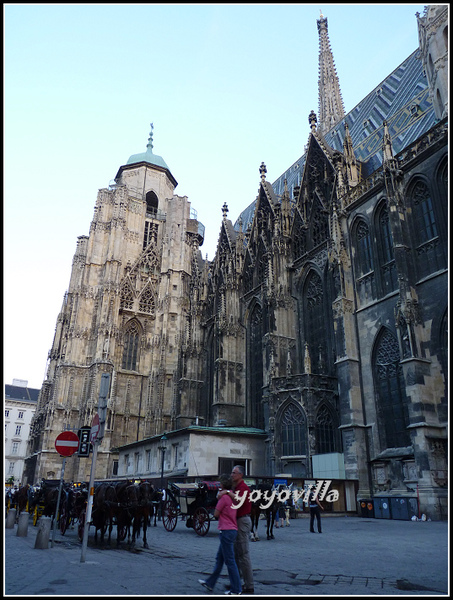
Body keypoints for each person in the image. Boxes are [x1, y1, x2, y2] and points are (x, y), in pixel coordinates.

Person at [199, 475, 242, 595]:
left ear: (222, 485)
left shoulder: (223, 498)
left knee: (230, 561)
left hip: (226, 529)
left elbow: (216, 514)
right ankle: (210, 583)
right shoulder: (233, 496)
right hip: (233, 529)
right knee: (220, 559)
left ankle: (236, 589)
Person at [219, 465, 254, 594]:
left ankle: (249, 585)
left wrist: (227, 493)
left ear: (240, 475)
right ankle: (237, 583)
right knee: (236, 554)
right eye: (232, 473)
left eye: (234, 473)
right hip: (235, 522)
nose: (232, 475)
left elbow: (239, 501)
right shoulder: (236, 488)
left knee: (243, 554)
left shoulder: (243, 488)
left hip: (242, 521)